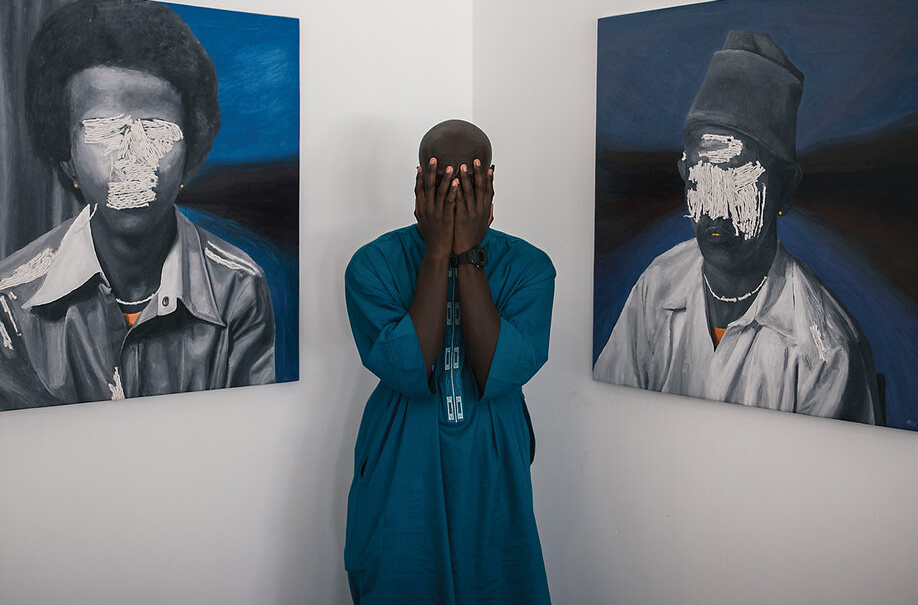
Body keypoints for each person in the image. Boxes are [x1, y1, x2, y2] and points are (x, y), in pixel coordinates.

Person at [0, 0, 275, 414]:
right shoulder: (2, 305)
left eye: (157, 133)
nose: (133, 160)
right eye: (106, 133)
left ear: (190, 153)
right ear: (66, 156)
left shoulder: (238, 286)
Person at [594, 31, 880, 423]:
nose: (717, 206)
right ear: (684, 175)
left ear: (784, 190)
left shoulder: (826, 351)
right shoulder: (657, 287)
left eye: (740, 178)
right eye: (703, 177)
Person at [343, 120, 554, 603]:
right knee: (402, 577)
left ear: (491, 184)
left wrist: (467, 255)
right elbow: (408, 368)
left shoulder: (530, 267)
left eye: (471, 180)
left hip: (492, 462)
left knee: (499, 581)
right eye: (443, 181)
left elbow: (499, 371)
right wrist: (439, 252)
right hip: (402, 459)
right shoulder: (372, 264)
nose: (456, 194)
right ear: (420, 184)